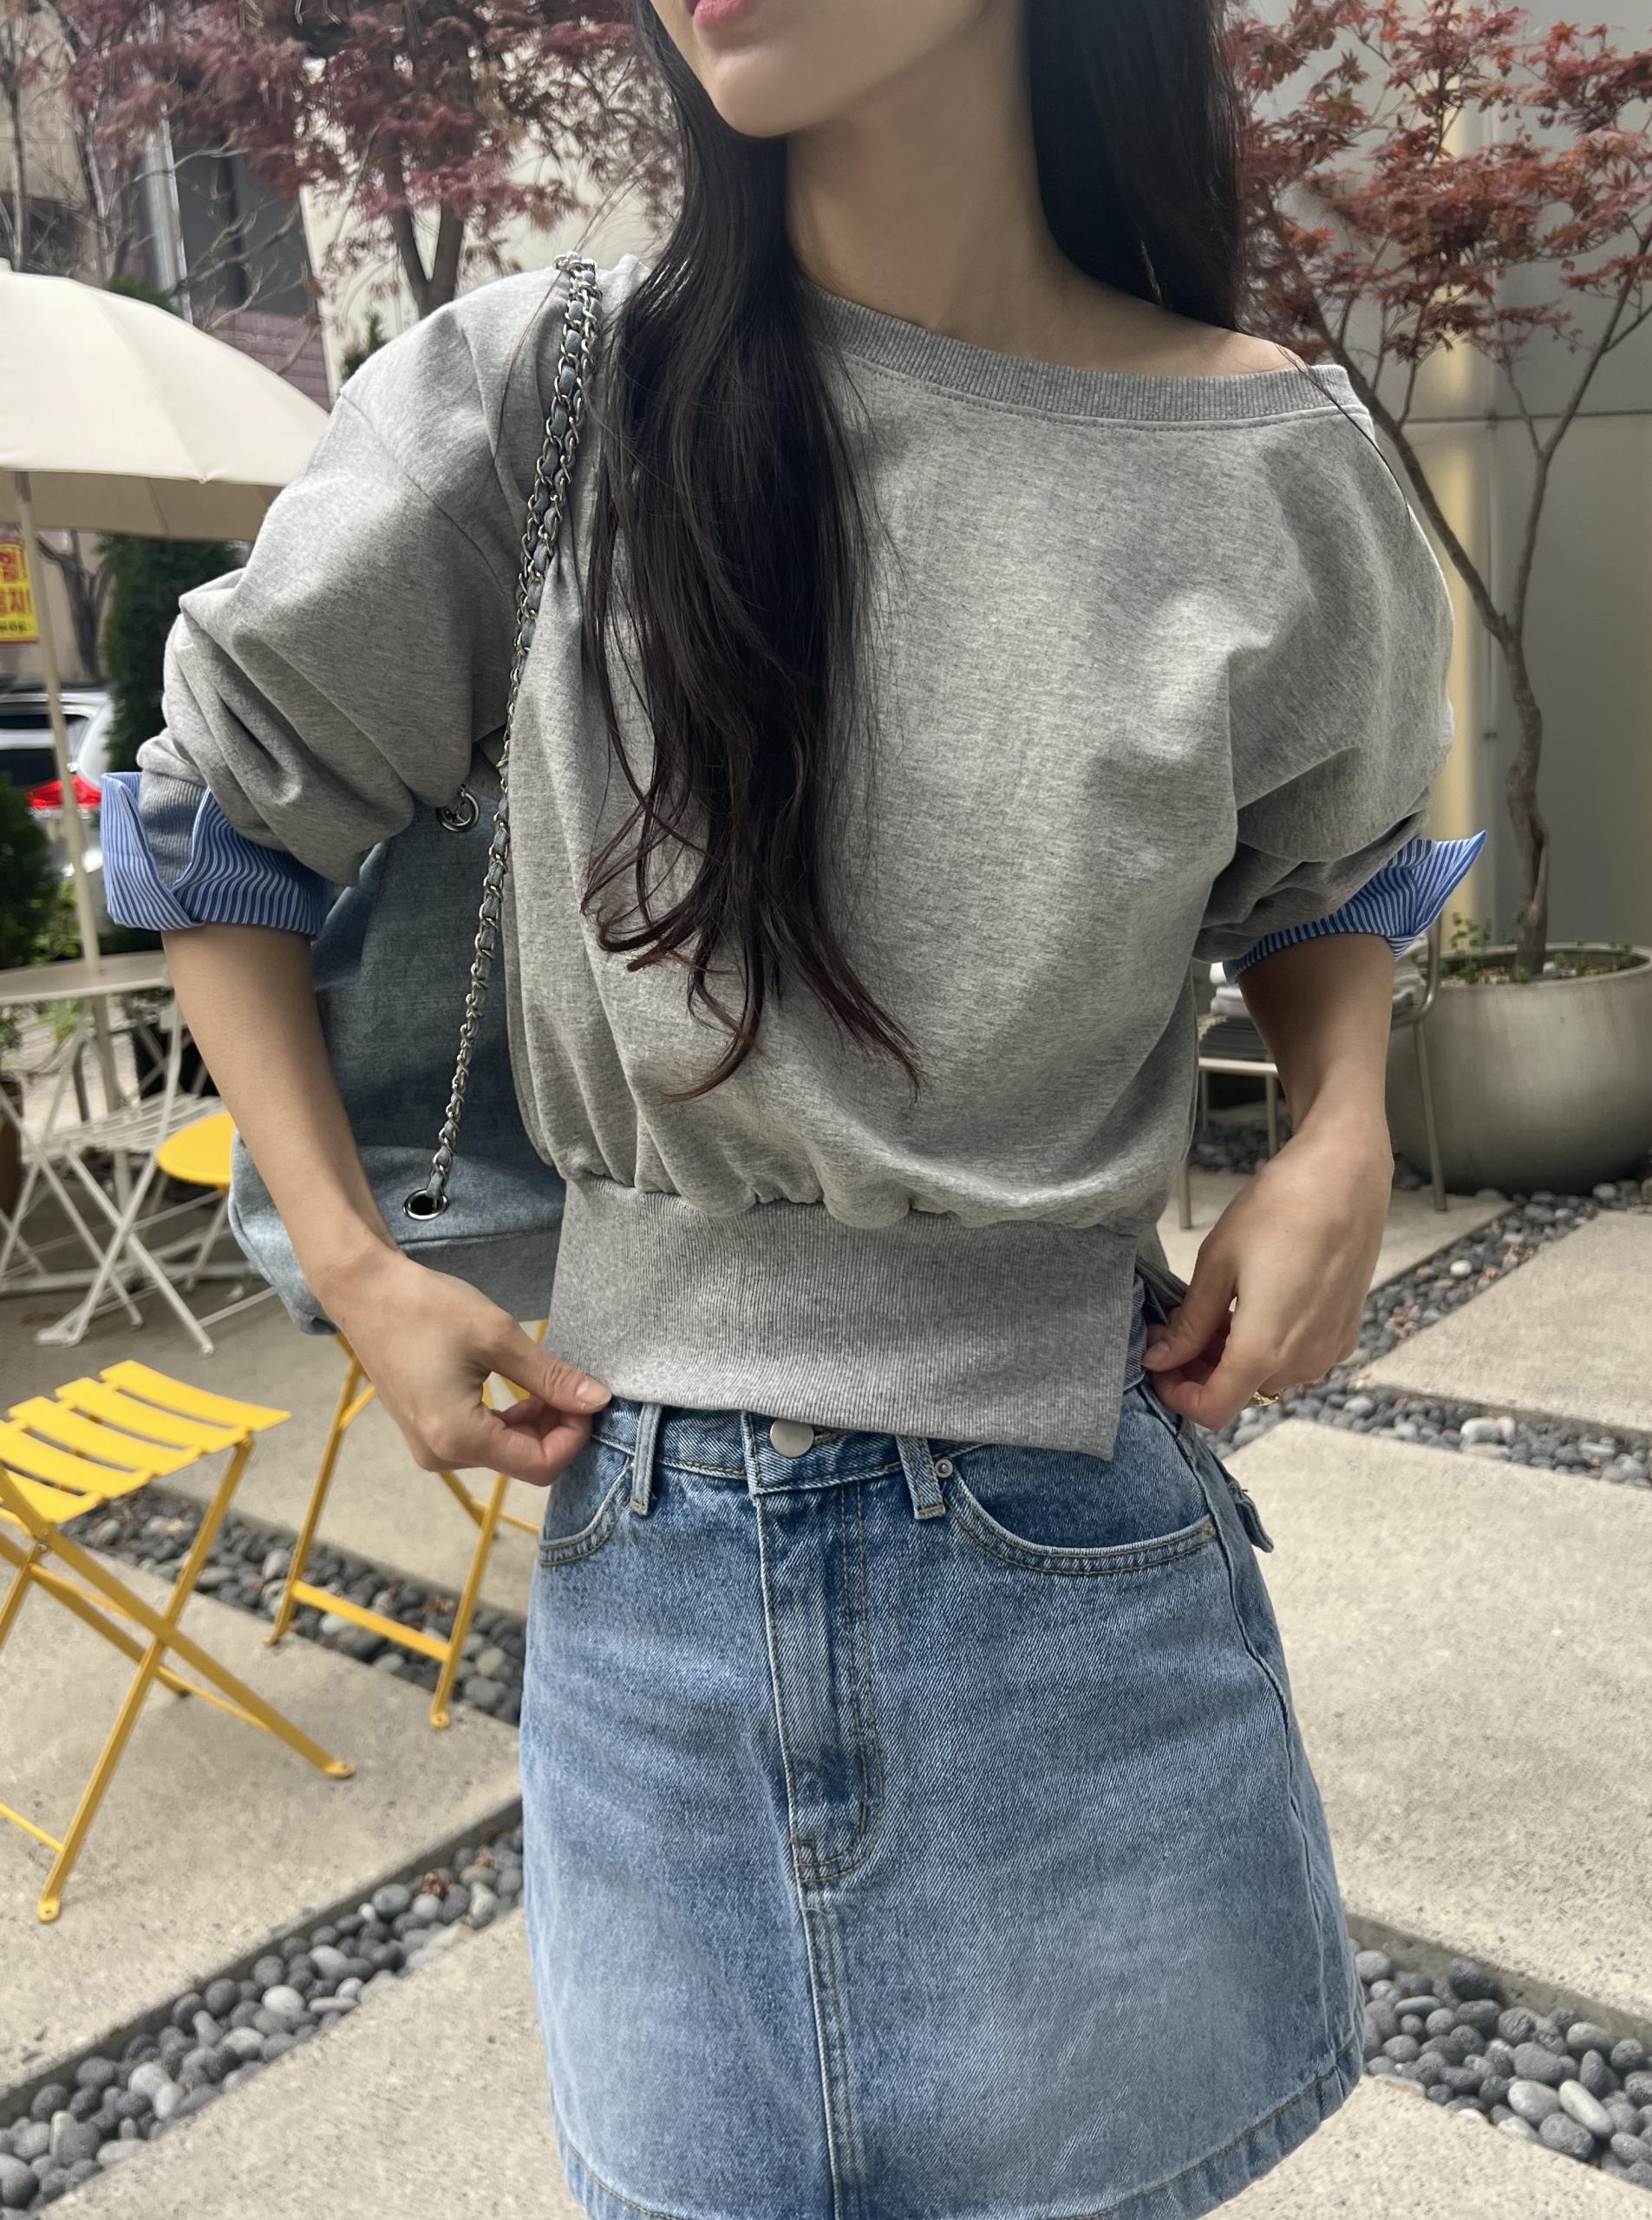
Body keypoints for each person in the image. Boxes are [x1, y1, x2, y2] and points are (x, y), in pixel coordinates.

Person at [102, 3, 1485, 2214]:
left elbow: (1324, 876)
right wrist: (349, 1261)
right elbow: (214, 820)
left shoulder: (1264, 460)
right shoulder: (550, 400)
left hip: (1077, 1549)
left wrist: (1341, 1123)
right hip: (651, 1566)